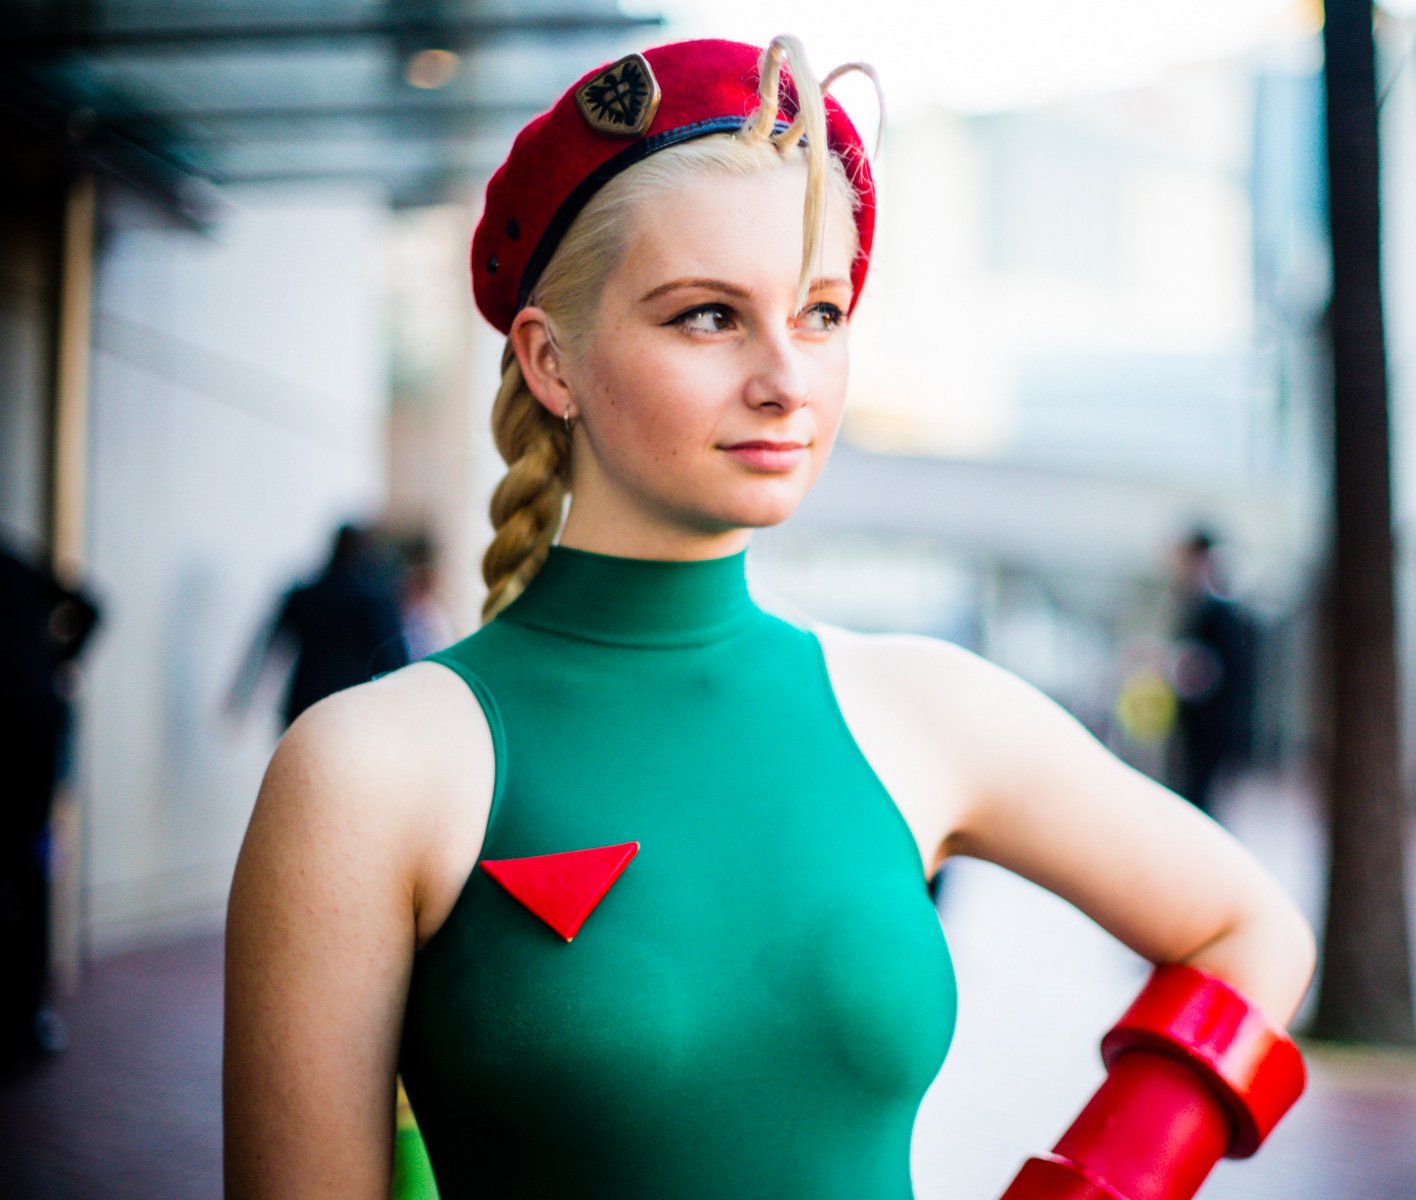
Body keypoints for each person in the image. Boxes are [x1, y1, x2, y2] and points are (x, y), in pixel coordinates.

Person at [223, 37, 1316, 1198]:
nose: (788, 377)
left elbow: (1250, 932)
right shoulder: (368, 769)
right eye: (706, 316)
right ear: (552, 360)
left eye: (823, 313)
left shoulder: (927, 709)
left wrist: (1093, 1186)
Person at [0, 538, 99, 1070]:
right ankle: (26, 1013)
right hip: (37, 728)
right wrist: (52, 663)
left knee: (27, 865)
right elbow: (90, 606)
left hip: (26, 734)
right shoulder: (15, 561)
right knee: (30, 867)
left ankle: (25, 1011)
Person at [227, 522, 410, 730]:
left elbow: (264, 649)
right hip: (352, 709)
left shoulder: (307, 595)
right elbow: (393, 658)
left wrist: (240, 696)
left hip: (305, 705)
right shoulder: (374, 600)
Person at [1169, 529, 1257, 815]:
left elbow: (1206, 671)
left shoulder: (1216, 611)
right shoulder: (1204, 606)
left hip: (1210, 726)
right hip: (1205, 725)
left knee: (1199, 799)